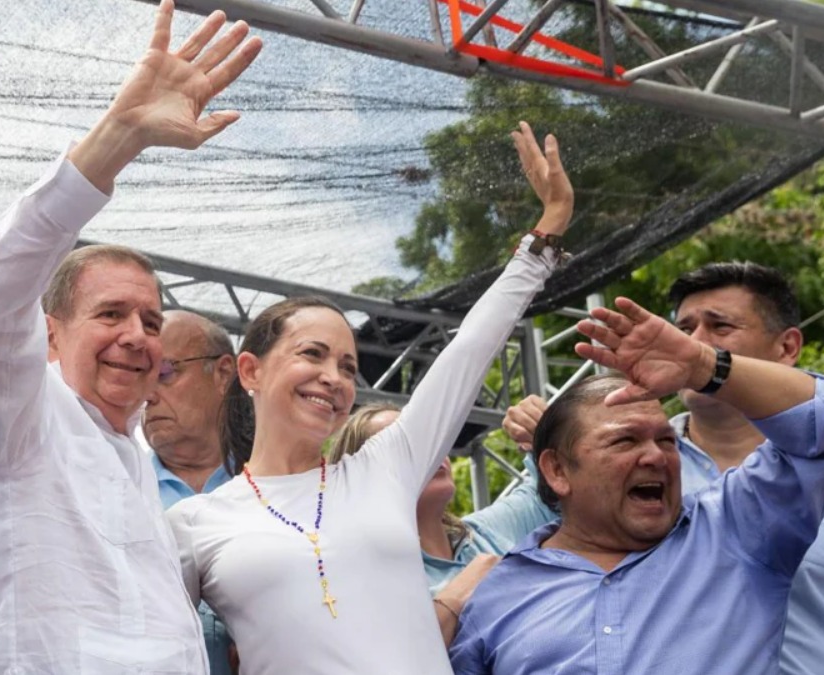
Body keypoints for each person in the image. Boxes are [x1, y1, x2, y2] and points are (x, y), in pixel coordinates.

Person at [165, 118, 572, 674]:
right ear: (250, 370)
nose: (333, 377)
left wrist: (544, 236)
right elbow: (152, 648)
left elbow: (467, 353)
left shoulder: (385, 468)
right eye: (312, 354)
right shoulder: (193, 522)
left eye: (348, 366)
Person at [0, 1, 262, 671]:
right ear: (49, 335)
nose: (138, 336)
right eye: (111, 314)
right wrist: (118, 137)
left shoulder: (134, 460)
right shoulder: (22, 413)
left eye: (151, 321)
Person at [450, 298, 824, 675]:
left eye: (665, 440)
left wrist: (705, 365)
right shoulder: (494, 598)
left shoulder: (735, 527)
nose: (656, 457)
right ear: (556, 470)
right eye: (624, 441)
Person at [328, 404, 552, 645]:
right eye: (405, 446)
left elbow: (557, 490)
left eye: (431, 437)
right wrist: (456, 597)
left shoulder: (486, 529)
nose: (430, 450)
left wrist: (546, 437)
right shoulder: (358, 577)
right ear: (361, 480)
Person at [144, 310, 236, 674]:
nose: (148, 394)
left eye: (164, 373)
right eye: (141, 375)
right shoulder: (113, 497)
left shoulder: (284, 491)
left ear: (224, 373)